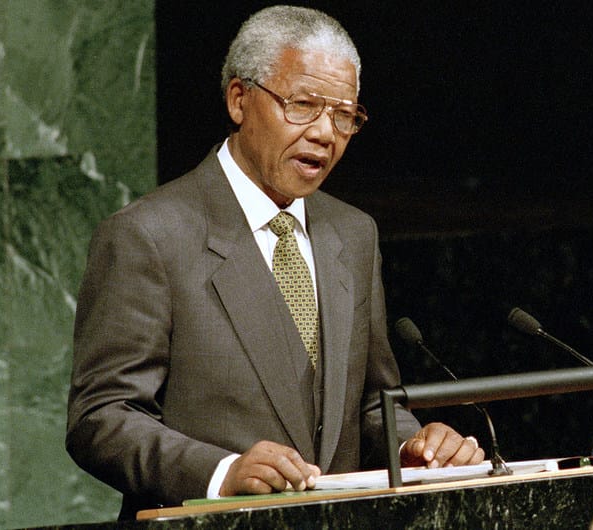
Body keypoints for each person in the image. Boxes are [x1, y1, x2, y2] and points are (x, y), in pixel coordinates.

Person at [66, 6, 483, 519]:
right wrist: (221, 474)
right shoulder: (149, 235)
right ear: (239, 100)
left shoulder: (353, 233)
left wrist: (413, 449)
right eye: (303, 105)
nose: (325, 133)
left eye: (344, 115)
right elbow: (102, 417)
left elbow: (371, 403)